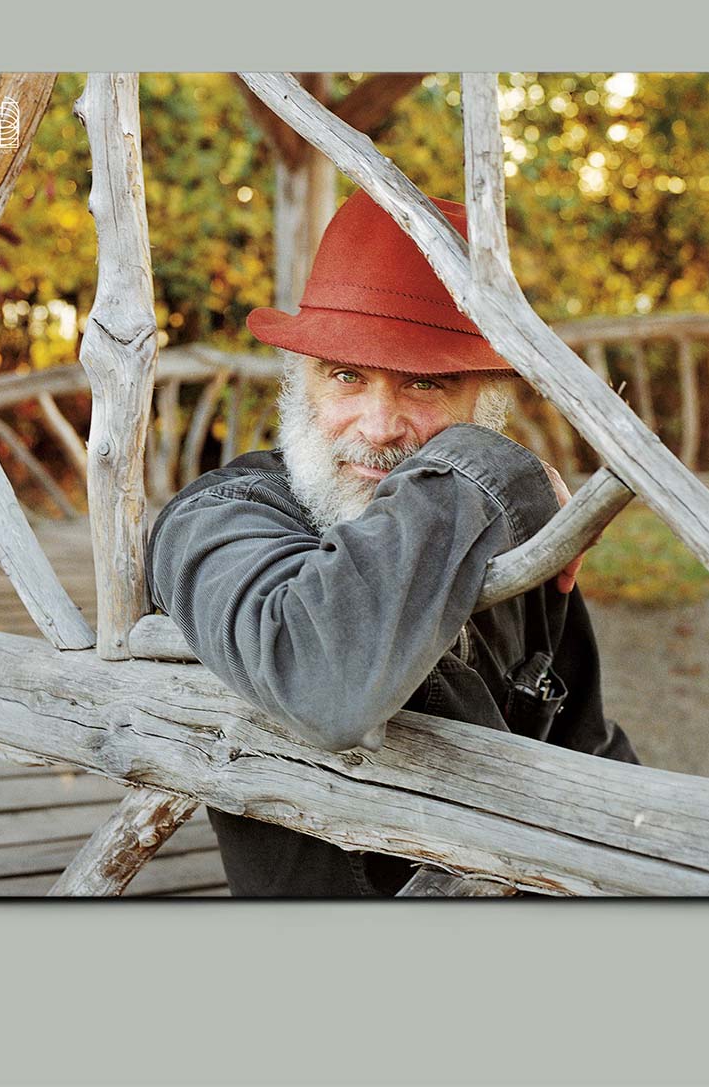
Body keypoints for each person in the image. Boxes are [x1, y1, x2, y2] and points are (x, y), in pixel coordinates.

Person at [145, 188, 639, 897]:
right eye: (346, 376)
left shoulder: (500, 533)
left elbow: (593, 752)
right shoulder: (219, 521)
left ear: (484, 403)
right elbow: (321, 679)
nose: (378, 427)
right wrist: (494, 469)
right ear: (300, 385)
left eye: (424, 384)